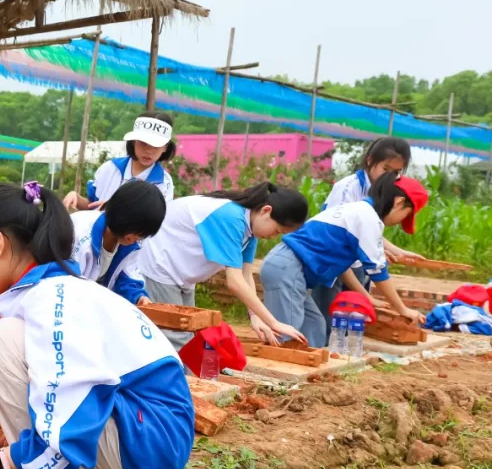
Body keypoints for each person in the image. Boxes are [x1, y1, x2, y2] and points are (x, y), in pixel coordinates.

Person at [0, 182, 194, 469]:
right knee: (13, 342)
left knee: (1, 341)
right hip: (149, 436)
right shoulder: (60, 290)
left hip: (147, 444)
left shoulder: (52, 301)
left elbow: (75, 403)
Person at [260, 173, 428, 348]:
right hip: (288, 268)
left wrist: (367, 298)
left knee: (315, 325)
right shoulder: (367, 218)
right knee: (288, 335)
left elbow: (341, 268)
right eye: (406, 215)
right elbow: (378, 272)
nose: (401, 222)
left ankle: (307, 369)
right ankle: (282, 372)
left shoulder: (357, 212)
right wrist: (403, 309)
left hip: (288, 267)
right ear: (399, 202)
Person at [133, 183, 309, 348]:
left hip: (181, 274)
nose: (273, 237)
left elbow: (245, 276)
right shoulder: (231, 217)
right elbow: (234, 282)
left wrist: (256, 317)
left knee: (190, 333)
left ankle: (187, 380)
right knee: (175, 338)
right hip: (160, 265)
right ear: (265, 211)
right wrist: (273, 322)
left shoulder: (250, 228)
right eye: (276, 231)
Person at [312, 137, 423, 329]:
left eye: (396, 173)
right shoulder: (348, 188)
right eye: (386, 170)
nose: (389, 177)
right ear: (370, 160)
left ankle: (342, 354)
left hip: (354, 262)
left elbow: (369, 233)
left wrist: (397, 251)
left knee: (353, 318)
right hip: (333, 263)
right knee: (327, 319)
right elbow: (341, 238)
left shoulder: (381, 193)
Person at [70, 179, 166, 306]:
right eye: (135, 230)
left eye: (142, 234)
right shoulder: (81, 235)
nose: (136, 238)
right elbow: (68, 286)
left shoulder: (131, 244)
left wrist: (138, 297)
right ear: (121, 215)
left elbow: (127, 276)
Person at [63, 111, 177, 211]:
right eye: (143, 143)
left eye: (156, 145)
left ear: (165, 147)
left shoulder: (164, 183)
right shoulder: (110, 168)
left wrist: (114, 209)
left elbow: (154, 223)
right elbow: (92, 205)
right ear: (133, 141)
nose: (149, 150)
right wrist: (76, 199)